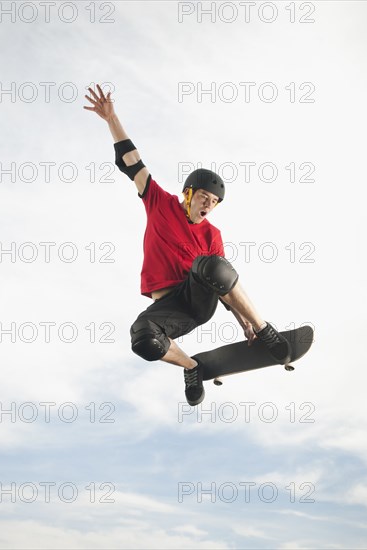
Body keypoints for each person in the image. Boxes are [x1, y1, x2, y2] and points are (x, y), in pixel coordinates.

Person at [84, 84, 291, 406]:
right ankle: (192, 368)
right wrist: (111, 119)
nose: (208, 205)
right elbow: (132, 162)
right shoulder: (159, 203)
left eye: (214, 202)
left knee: (209, 265)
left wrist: (245, 322)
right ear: (189, 194)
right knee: (143, 339)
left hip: (197, 300)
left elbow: (223, 284)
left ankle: (267, 330)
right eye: (204, 198)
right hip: (170, 309)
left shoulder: (212, 235)